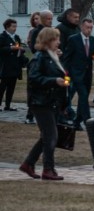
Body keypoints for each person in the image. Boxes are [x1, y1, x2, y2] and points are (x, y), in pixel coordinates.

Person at [18, 27, 68, 180]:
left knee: (47, 136)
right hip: (41, 102)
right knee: (51, 136)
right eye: (56, 39)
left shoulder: (52, 57)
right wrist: (54, 81)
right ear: (48, 41)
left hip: (51, 101)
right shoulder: (39, 57)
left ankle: (28, 163)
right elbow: (33, 79)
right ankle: (48, 169)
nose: (59, 42)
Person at [60, 17, 94, 128]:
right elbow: (67, 57)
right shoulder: (73, 39)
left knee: (84, 97)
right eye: (87, 27)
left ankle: (77, 121)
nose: (89, 30)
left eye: (91, 28)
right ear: (82, 27)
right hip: (76, 72)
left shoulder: (93, 40)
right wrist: (66, 72)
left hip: (87, 73)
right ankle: (87, 120)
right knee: (83, 95)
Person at [0, 18, 23, 111]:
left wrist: (20, 50)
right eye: (13, 26)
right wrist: (10, 48)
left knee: (11, 87)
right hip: (5, 66)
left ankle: (8, 105)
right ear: (7, 27)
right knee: (2, 87)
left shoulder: (16, 37)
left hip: (15, 66)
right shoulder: (2, 37)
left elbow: (19, 47)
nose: (15, 28)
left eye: (16, 26)